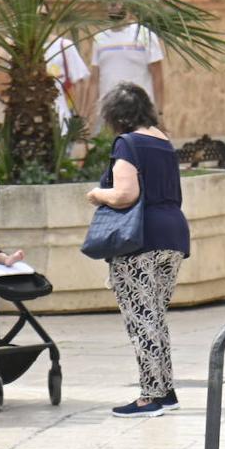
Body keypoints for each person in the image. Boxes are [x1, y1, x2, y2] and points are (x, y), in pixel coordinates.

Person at [87, 82, 190, 418]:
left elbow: (125, 194)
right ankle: (166, 390)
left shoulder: (127, 144)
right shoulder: (163, 141)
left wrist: (97, 194)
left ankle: (150, 396)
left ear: (116, 115)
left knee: (141, 319)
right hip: (173, 235)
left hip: (140, 239)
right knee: (155, 317)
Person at [90, 4, 165, 124]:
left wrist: (159, 112)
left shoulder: (145, 34)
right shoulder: (99, 38)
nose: (113, 5)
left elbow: (158, 77)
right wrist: (90, 116)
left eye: (117, 0)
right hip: (108, 115)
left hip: (140, 113)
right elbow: (94, 80)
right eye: (109, 1)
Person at [45, 34, 89, 135]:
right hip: (27, 126)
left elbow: (79, 83)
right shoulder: (18, 47)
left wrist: (79, 118)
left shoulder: (64, 45)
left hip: (62, 122)